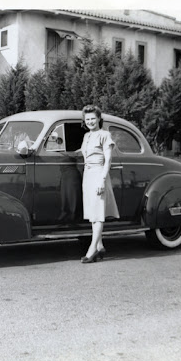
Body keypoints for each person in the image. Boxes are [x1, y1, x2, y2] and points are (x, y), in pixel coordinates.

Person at [80, 105, 120, 263]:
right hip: (88, 175)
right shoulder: (86, 136)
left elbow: (108, 159)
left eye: (92, 118)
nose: (90, 121)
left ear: (98, 119)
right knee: (92, 213)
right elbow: (85, 153)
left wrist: (102, 180)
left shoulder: (105, 135)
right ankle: (100, 245)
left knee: (98, 215)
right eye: (87, 119)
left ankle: (92, 250)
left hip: (98, 174)